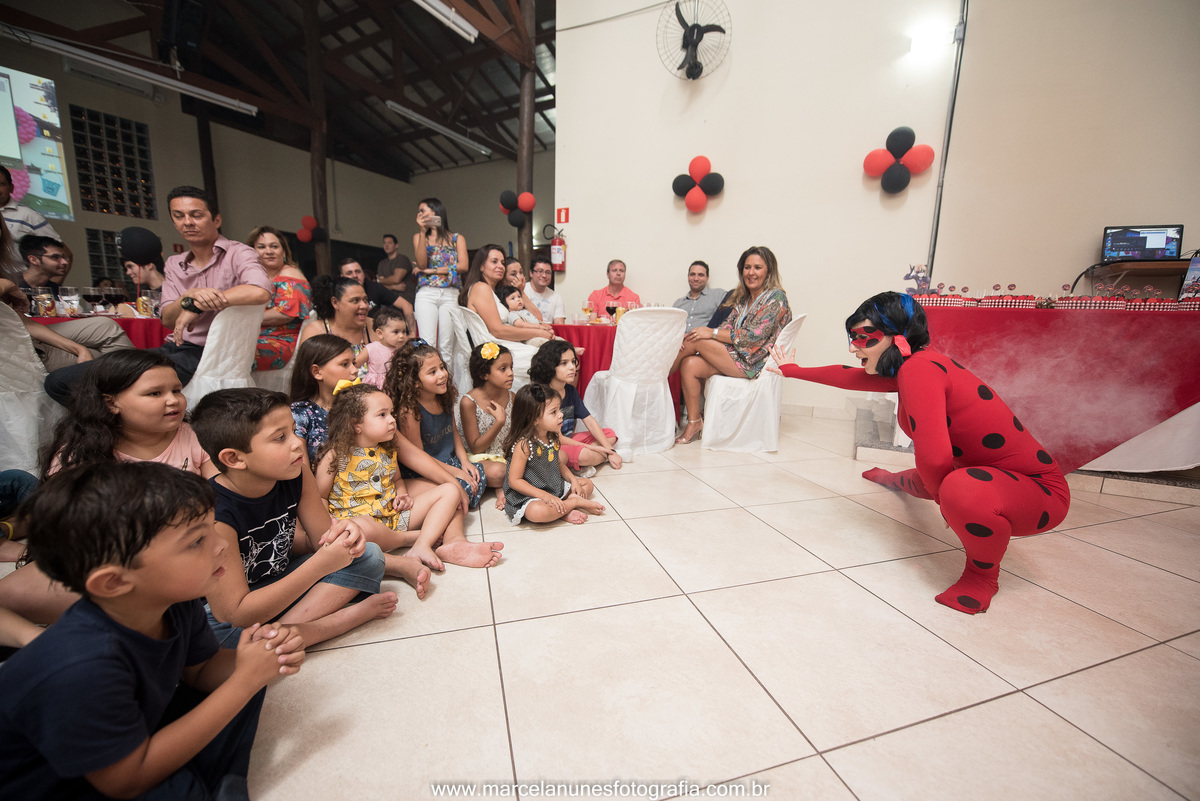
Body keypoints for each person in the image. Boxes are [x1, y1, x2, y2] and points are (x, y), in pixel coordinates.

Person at [0, 462, 305, 800]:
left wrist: (257, 658)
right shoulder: (79, 666)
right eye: (196, 542)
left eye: (212, 528)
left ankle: (204, 780)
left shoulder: (173, 600)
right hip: (55, 783)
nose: (220, 545)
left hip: (129, 740)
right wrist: (244, 680)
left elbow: (201, 670)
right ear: (114, 581)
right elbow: (125, 781)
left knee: (240, 685)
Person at [769, 291, 1071, 614]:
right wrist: (792, 370)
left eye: (863, 337)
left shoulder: (919, 369)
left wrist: (948, 502)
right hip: (983, 475)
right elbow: (849, 376)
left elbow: (935, 458)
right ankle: (890, 479)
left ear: (897, 338)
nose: (853, 346)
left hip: (1040, 491)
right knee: (941, 482)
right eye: (852, 336)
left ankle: (982, 577)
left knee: (954, 487)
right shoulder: (912, 364)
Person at [0, 350, 217, 628]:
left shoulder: (191, 435)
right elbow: (75, 528)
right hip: (108, 556)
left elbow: (218, 494)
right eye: (154, 393)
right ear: (111, 403)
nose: (173, 400)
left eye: (177, 389)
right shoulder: (81, 453)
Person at [191, 388, 406, 647]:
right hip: (233, 609)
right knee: (215, 642)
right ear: (235, 458)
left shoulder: (298, 474)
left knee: (369, 555)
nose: (297, 443)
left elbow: (322, 541)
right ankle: (337, 622)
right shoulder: (214, 515)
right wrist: (319, 565)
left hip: (282, 585)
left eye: (293, 430)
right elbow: (234, 614)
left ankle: (280, 635)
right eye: (280, 438)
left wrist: (344, 534)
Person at [44, 185, 272, 404]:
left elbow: (260, 290)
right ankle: (115, 430)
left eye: (196, 215)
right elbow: (167, 319)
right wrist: (189, 297)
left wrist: (196, 305)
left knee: (79, 382)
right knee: (59, 381)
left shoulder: (238, 252)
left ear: (216, 220)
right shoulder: (174, 263)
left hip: (210, 354)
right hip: (174, 350)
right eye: (179, 216)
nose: (188, 222)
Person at [314, 381, 459, 584]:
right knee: (360, 529)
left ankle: (422, 544)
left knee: (450, 490)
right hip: (360, 527)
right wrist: (328, 521)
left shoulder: (387, 450)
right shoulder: (335, 455)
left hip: (393, 517)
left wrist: (402, 493)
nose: (392, 420)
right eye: (382, 415)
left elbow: (397, 479)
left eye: (391, 413)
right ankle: (410, 539)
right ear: (356, 424)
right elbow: (319, 496)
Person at [385, 343, 504, 567]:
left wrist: (464, 461)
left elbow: (454, 434)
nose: (442, 375)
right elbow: (419, 458)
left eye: (442, 367)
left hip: (449, 462)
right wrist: (456, 472)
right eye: (432, 372)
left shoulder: (444, 396)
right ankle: (453, 540)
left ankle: (443, 531)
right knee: (460, 489)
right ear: (414, 380)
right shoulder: (410, 409)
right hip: (425, 469)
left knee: (494, 473)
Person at [671, 246, 793, 444]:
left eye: (757, 267)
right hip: (736, 357)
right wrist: (712, 334)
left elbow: (752, 337)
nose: (751, 272)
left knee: (698, 339)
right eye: (747, 267)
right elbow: (727, 326)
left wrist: (710, 334)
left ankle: (658, 376)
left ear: (768, 271)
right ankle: (694, 422)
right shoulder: (743, 298)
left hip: (754, 364)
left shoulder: (775, 298)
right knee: (690, 364)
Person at [501, 383, 605, 526]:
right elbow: (514, 481)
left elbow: (558, 463)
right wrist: (543, 495)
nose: (561, 414)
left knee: (587, 484)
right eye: (553, 412)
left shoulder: (552, 435)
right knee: (537, 512)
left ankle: (562, 509)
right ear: (534, 418)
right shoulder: (524, 444)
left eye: (559, 409)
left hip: (551, 485)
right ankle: (572, 503)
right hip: (530, 495)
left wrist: (573, 480)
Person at [529, 340, 622, 475]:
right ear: (549, 366)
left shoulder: (571, 391)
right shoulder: (543, 395)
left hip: (568, 440)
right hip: (551, 446)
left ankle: (585, 460)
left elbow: (589, 420)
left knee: (610, 435)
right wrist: (599, 449)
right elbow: (557, 438)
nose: (572, 367)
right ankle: (585, 460)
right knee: (586, 455)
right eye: (564, 363)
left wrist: (610, 450)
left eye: (573, 361)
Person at [459, 244, 555, 344]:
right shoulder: (481, 288)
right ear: (481, 266)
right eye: (494, 262)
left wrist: (521, 292)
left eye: (502, 263)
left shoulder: (499, 292)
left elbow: (537, 318)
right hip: (494, 346)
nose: (500, 266)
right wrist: (538, 332)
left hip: (508, 341)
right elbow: (497, 331)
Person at [248, 225, 312, 372]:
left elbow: (284, 314)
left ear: (283, 251)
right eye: (261, 247)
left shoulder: (290, 274)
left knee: (236, 353)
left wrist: (244, 318)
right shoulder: (254, 277)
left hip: (281, 342)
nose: (269, 251)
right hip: (254, 337)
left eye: (274, 246)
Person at [460, 342, 515, 510]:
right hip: (482, 458)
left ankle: (503, 487)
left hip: (507, 455)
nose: (511, 373)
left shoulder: (512, 396)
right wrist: (499, 422)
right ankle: (506, 484)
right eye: (503, 369)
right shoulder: (468, 402)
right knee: (501, 472)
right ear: (484, 374)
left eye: (511, 367)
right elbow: (476, 448)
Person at [290, 334, 359, 465]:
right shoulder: (299, 414)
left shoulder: (362, 404)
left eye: (354, 363)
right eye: (345, 364)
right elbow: (303, 471)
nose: (355, 370)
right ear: (317, 372)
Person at [412, 197, 466, 344]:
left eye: (422, 211)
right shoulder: (419, 237)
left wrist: (433, 270)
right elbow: (422, 265)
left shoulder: (456, 238)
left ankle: (446, 368)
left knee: (447, 344)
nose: (419, 215)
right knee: (427, 342)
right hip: (427, 293)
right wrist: (422, 232)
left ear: (435, 211)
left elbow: (463, 266)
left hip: (450, 292)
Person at [297, 275, 371, 374]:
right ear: (335, 302)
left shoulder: (375, 327)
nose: (364, 306)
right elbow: (304, 374)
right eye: (355, 301)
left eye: (365, 300)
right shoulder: (316, 331)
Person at [338, 257, 415, 332]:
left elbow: (406, 305)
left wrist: (412, 334)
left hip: (375, 334)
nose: (355, 275)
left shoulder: (374, 287)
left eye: (358, 271)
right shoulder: (338, 293)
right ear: (342, 277)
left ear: (363, 274)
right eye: (349, 273)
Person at [1, 164, 60, 261]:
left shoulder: (28, 215)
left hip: (16, 275)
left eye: (1, 183)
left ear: (11, 187)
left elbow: (58, 249)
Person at [361, 306, 409, 389]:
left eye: (404, 331)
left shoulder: (402, 350)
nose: (401, 336)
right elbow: (354, 364)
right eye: (396, 332)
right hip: (374, 389)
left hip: (394, 387)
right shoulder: (372, 348)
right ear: (380, 333)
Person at [673, 260, 726, 332]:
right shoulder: (678, 303)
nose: (696, 279)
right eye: (692, 274)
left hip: (705, 340)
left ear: (707, 278)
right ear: (688, 277)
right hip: (680, 341)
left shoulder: (718, 295)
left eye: (700, 275)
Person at [119, 225, 166, 291]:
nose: (128, 272)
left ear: (149, 265)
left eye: (130, 266)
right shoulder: (145, 296)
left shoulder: (176, 292)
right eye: (126, 268)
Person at [525, 255, 566, 324]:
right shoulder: (521, 291)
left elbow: (560, 325)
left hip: (548, 332)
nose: (544, 276)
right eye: (540, 271)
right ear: (531, 273)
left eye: (548, 272)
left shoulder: (556, 297)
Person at [377, 233, 415, 303]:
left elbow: (396, 279)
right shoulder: (382, 263)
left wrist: (380, 281)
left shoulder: (402, 259)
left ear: (396, 245)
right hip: (389, 300)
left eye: (389, 243)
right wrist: (393, 287)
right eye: (384, 243)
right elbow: (380, 287)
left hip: (406, 299)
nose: (386, 245)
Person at [504, 257, 544, 321]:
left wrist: (521, 291)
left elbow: (538, 319)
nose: (520, 277)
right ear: (504, 279)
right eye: (513, 274)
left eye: (521, 272)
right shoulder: (500, 296)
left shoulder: (521, 292)